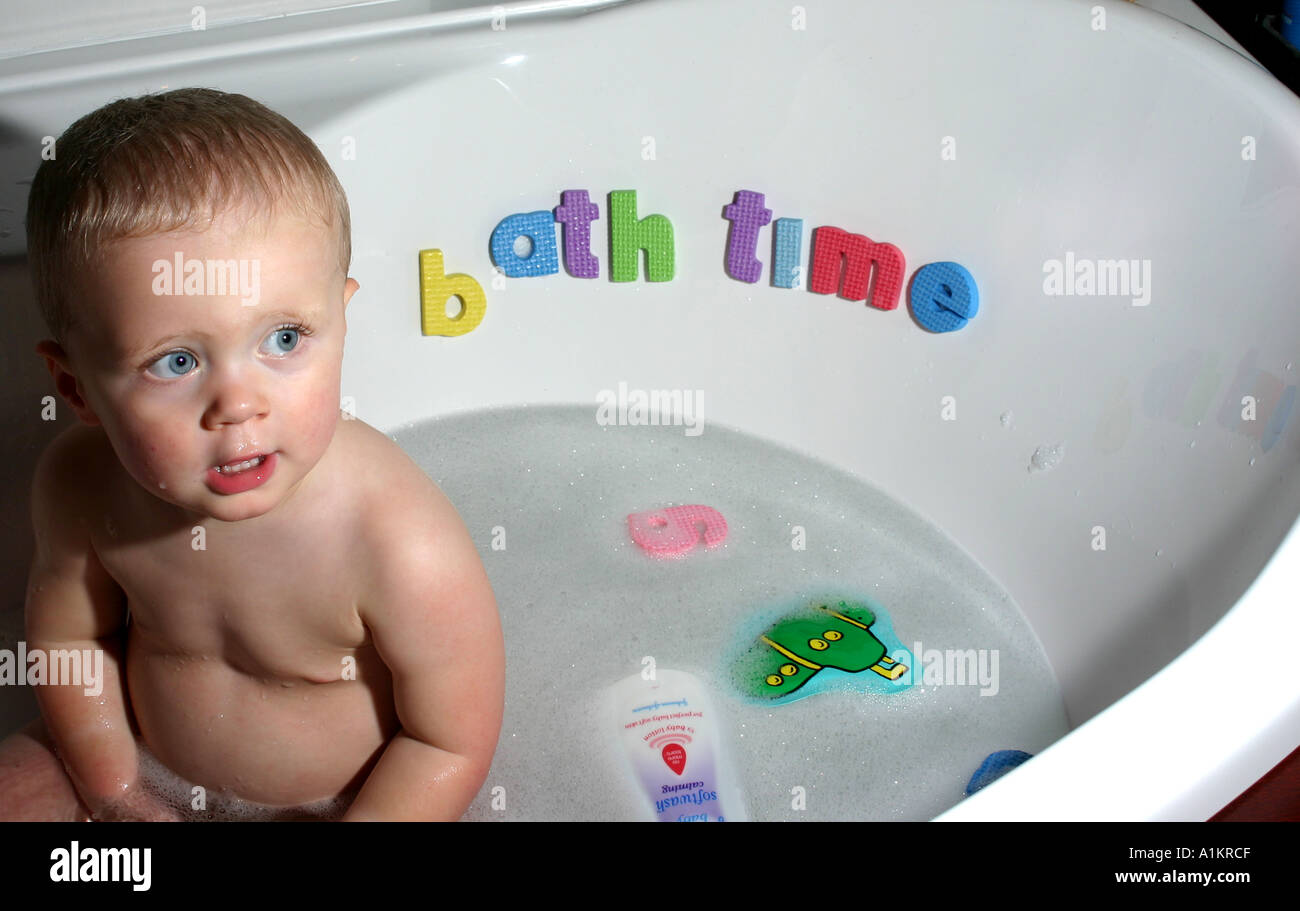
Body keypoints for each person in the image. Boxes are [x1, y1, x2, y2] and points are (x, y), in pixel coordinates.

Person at [0, 88, 504, 821]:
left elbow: (447, 745)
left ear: (342, 317)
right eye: (175, 362)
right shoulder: (79, 484)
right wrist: (112, 787)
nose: (238, 404)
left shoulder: (394, 535)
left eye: (285, 339)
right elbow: (72, 636)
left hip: (351, 802)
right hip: (143, 764)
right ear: (75, 387)